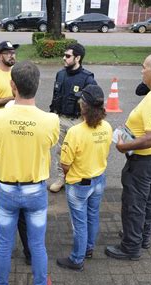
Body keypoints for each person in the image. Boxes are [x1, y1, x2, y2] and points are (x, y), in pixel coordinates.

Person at [0, 61, 59, 285]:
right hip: (36, 190)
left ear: (12, 85)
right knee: (37, 244)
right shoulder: (51, 120)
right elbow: (48, 144)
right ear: (37, 86)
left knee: (5, 244)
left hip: (5, 190)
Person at [105, 53, 151, 260]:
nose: (141, 70)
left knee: (134, 204)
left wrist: (123, 146)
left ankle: (130, 247)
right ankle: (140, 237)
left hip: (144, 161)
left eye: (144, 67)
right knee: (147, 201)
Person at [0, 41, 31, 264]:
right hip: (0, 133)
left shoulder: (19, 72)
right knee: (1, 210)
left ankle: (26, 250)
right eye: (9, 53)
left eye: (14, 52)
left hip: (19, 133)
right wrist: (11, 100)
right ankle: (1, 246)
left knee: (10, 210)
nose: (13, 55)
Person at [56, 85, 112, 271]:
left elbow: (65, 164)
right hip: (98, 180)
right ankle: (88, 248)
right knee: (93, 215)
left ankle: (77, 259)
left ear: (83, 106)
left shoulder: (75, 132)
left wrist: (68, 176)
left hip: (79, 184)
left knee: (79, 223)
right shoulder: (107, 127)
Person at [49, 43, 98, 193]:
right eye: (64, 55)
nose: (64, 58)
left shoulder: (87, 78)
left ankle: (77, 178)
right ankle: (61, 178)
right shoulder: (60, 74)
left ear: (78, 58)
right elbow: (55, 96)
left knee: (78, 152)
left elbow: (94, 101)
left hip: (78, 122)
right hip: (60, 119)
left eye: (68, 56)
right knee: (60, 151)